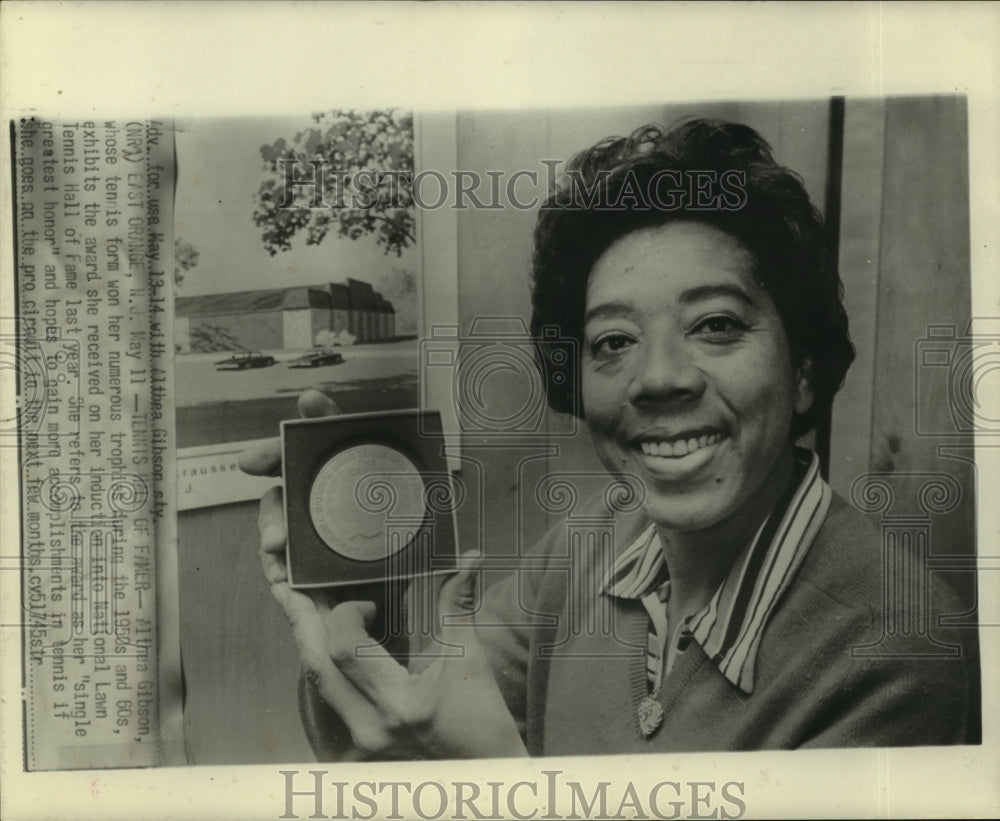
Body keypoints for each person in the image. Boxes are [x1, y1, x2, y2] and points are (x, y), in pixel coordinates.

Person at [240, 119, 978, 758]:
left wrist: (502, 775)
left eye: (715, 324)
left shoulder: (905, 652)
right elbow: (394, 743)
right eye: (613, 340)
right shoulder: (580, 552)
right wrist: (366, 591)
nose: (658, 378)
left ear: (806, 369)